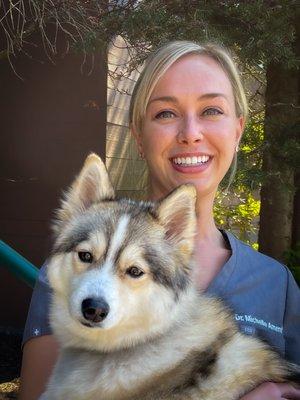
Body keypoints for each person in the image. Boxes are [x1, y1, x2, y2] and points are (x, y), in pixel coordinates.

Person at [19, 40, 300, 400]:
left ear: (238, 129)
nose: (190, 132)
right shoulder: (75, 269)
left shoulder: (277, 284)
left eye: (212, 110)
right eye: (165, 113)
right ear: (138, 135)